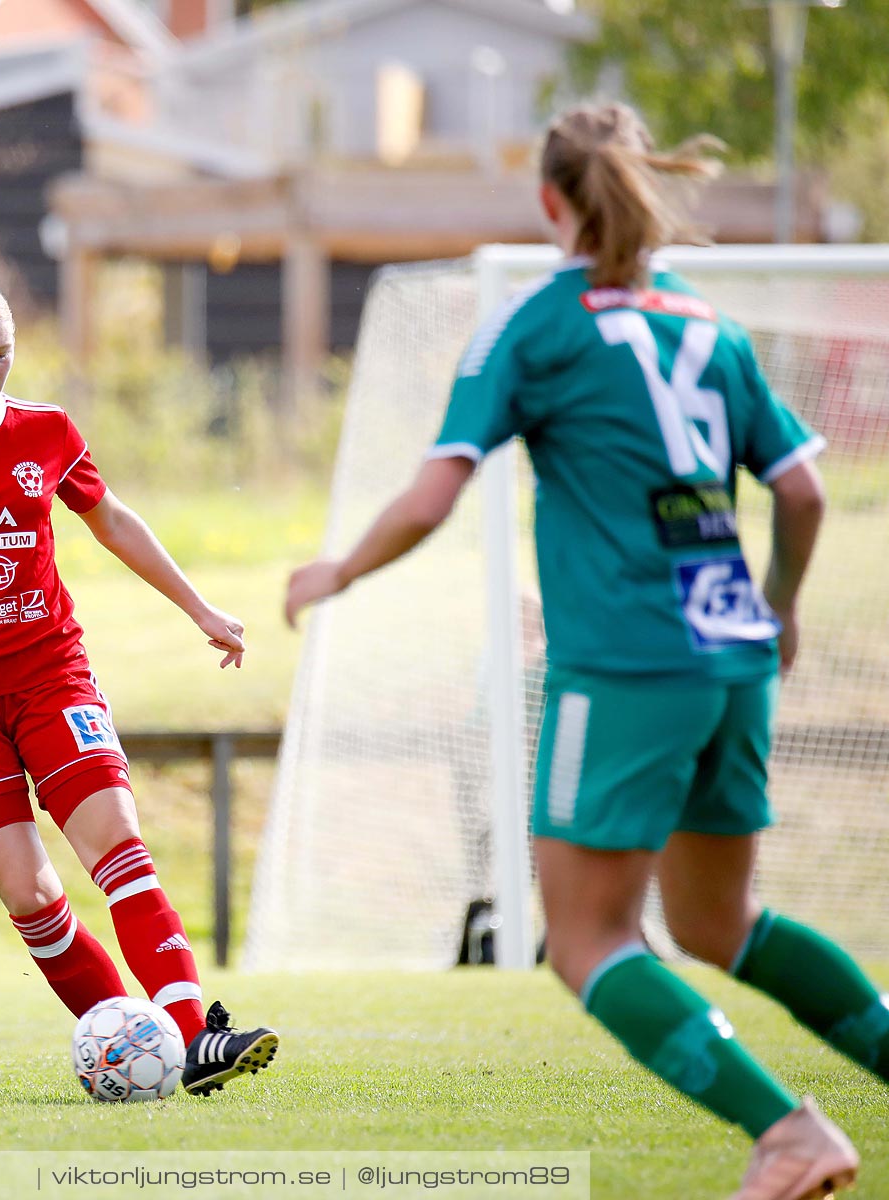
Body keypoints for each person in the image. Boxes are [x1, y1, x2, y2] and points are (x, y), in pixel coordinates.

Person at [284, 103, 882, 1199]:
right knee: (718, 921)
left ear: (550, 202)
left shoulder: (535, 328)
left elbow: (434, 490)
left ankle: (788, 1133)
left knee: (585, 940)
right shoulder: (707, 325)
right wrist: (782, 607)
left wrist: (339, 572)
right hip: (734, 659)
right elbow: (801, 488)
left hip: (624, 668)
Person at [0, 277, 277, 1096]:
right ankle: (136, 1047)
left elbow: (110, 519)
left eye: (2, 352)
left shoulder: (46, 432)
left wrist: (198, 607)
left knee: (118, 846)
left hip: (49, 675)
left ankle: (191, 1040)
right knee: (32, 892)